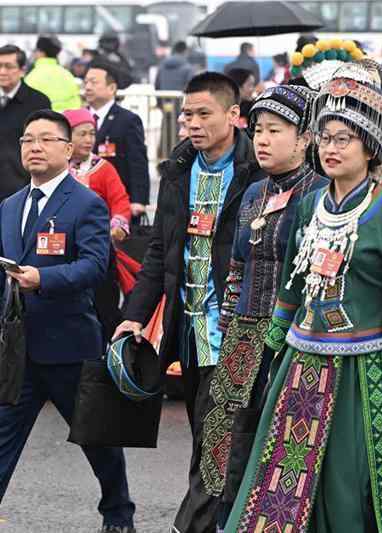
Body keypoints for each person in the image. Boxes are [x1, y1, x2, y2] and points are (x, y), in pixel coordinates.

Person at [225, 65, 382, 533]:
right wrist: (276, 339)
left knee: (348, 472)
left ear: (370, 148)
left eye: (344, 140)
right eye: (326, 138)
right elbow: (294, 276)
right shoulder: (311, 204)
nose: (330, 149)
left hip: (362, 363)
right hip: (303, 355)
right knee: (284, 465)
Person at [114, 72, 260, 533]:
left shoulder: (257, 171)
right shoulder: (178, 171)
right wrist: (133, 316)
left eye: (203, 114)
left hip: (238, 329)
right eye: (186, 115)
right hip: (191, 332)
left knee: (223, 440)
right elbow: (160, 249)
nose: (191, 124)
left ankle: (196, 525)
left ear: (234, 116)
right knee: (207, 440)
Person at [0, 109, 136, 533]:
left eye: (45, 139)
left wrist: (44, 279)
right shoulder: (9, 205)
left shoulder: (85, 203)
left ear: (67, 148)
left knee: (98, 441)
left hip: (69, 345)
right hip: (17, 351)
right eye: (27, 140)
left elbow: (96, 267)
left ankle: (118, 514)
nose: (34, 148)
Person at [206, 84, 329, 528]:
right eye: (258, 130)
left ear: (304, 139)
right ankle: (228, 519)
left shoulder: (319, 196)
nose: (261, 139)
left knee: (284, 440)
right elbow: (237, 263)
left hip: (293, 337)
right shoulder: (254, 193)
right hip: (242, 333)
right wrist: (229, 318)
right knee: (229, 436)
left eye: (275, 131)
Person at [64, 108, 131, 342]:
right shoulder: (57, 169)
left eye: (92, 134)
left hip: (99, 249)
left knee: (104, 304)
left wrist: (118, 225)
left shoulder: (103, 168)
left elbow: (120, 201)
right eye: (81, 134)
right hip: (63, 251)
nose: (88, 140)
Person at [84, 60, 150, 222]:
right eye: (85, 82)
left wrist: (138, 200)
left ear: (111, 88)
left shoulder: (128, 120)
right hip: (84, 196)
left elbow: (137, 161)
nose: (87, 87)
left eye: (94, 82)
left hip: (116, 200)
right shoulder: (80, 118)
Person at [0, 44, 51, 201]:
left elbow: (45, 145)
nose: (2, 72)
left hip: (21, 188)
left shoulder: (38, 102)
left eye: (8, 67)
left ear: (22, 70)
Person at [25, 35, 81, 112]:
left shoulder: (32, 77)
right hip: (68, 120)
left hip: (43, 120)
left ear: (41, 53)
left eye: (36, 50)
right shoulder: (67, 75)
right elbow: (77, 102)